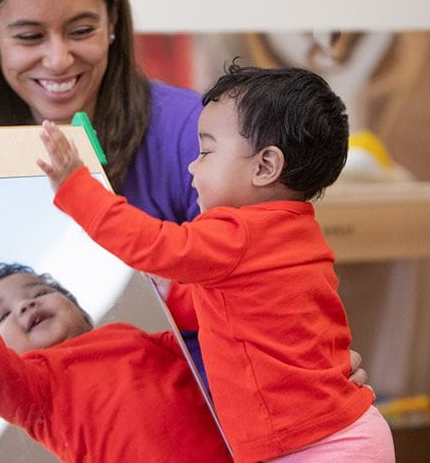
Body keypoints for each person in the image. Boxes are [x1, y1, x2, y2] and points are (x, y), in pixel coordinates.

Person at [0, 0, 370, 388]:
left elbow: (271, 282)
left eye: (81, 30)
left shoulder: (192, 136)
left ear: (113, 16)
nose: (58, 58)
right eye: (29, 36)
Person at [37, 64, 395, 462]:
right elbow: (227, 310)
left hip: (316, 446)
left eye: (206, 152)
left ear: (265, 167)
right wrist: (172, 294)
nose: (192, 166)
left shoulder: (236, 233)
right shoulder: (296, 232)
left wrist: (77, 188)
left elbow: (154, 243)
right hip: (342, 433)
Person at [0, 253, 233, 462]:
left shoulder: (129, 336)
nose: (26, 305)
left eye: (39, 292)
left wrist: (175, 291)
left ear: (78, 309)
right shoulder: (35, 388)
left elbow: (210, 345)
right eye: (2, 316)